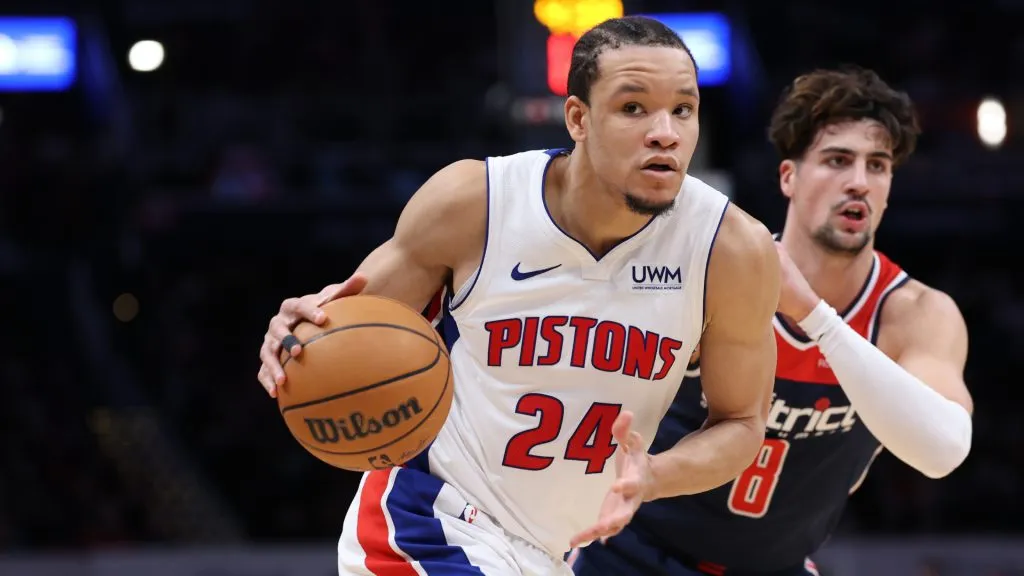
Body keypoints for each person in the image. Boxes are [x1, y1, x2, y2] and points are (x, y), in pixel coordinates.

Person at [256, 16, 782, 576]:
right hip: (429, 522)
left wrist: (654, 475)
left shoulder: (732, 250)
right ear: (578, 118)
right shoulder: (476, 203)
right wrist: (296, 337)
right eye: (633, 108)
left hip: (551, 554)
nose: (665, 133)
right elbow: (343, 331)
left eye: (683, 109)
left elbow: (741, 423)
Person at [571, 67, 975, 576]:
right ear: (789, 177)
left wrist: (815, 315)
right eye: (837, 160)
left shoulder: (915, 314)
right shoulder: (719, 273)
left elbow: (943, 452)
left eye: (877, 166)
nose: (858, 182)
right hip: (633, 553)